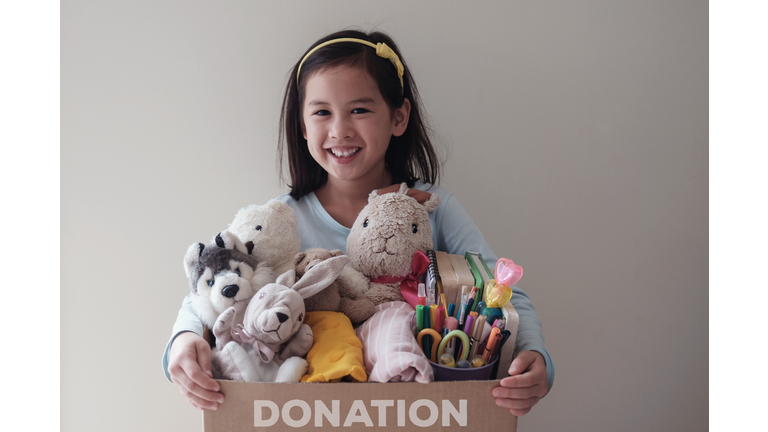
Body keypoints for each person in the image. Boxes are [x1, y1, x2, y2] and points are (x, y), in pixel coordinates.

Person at [164, 29, 554, 417]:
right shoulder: (279, 220)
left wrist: (533, 354)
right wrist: (183, 341)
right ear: (302, 126)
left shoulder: (435, 209)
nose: (340, 131)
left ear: (399, 117)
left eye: (360, 110)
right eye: (321, 112)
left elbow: (502, 291)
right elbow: (208, 292)